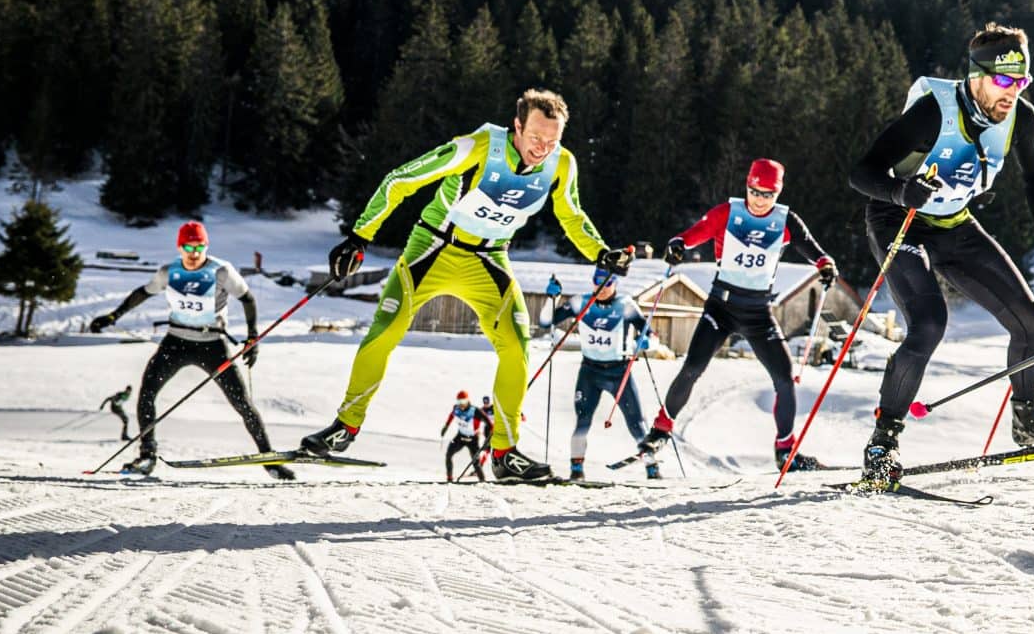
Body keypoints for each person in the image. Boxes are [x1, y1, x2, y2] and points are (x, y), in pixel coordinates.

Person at [298, 87, 641, 483]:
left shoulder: (562, 163)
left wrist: (601, 253)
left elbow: (570, 214)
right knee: (385, 330)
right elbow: (402, 179)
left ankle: (504, 452)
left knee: (517, 344)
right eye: (535, 138)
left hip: (489, 258)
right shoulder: (479, 146)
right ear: (517, 126)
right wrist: (360, 235)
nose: (543, 149)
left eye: (552, 141)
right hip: (434, 248)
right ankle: (345, 427)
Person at [847, 24, 1034, 483]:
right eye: (1002, 80)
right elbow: (862, 172)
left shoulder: (1023, 117)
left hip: (954, 223)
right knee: (929, 324)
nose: (1012, 92)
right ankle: (883, 442)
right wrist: (900, 191)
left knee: (1029, 321)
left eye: (1021, 82)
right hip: (898, 220)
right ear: (975, 76)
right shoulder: (931, 112)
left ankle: (1027, 419)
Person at [648, 158, 838, 470]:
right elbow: (694, 233)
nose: (761, 200)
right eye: (755, 192)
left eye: (768, 194)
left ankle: (785, 451)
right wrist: (678, 244)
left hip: (758, 312)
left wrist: (825, 265)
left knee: (784, 379)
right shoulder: (728, 213)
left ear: (777, 193)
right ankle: (660, 430)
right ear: (746, 186)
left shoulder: (785, 219)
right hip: (721, 307)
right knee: (693, 367)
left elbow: (813, 249)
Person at [87, 220, 287, 478]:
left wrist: (252, 338)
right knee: (146, 394)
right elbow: (143, 293)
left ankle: (270, 460)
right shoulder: (168, 271)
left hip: (212, 346)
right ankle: (147, 456)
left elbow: (248, 298)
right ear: (179, 247)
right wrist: (113, 316)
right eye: (188, 247)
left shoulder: (221, 271)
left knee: (242, 403)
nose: (194, 253)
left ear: (206, 246)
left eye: (199, 247)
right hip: (176, 343)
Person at [544, 262, 660, 480]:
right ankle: (576, 469)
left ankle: (652, 468)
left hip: (619, 371)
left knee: (636, 423)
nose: (602, 287)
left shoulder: (625, 304)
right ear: (593, 282)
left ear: (615, 284)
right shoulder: (581, 302)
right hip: (590, 372)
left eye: (608, 283)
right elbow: (545, 321)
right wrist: (553, 299)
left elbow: (650, 334)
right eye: (598, 281)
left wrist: (644, 341)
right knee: (583, 420)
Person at [439, 388, 485, 482]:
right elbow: (451, 416)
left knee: (476, 463)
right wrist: (446, 427)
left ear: (467, 400)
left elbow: (489, 423)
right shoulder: (456, 408)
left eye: (463, 401)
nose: (461, 403)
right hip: (460, 437)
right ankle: (449, 479)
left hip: (473, 439)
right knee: (448, 455)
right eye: (459, 401)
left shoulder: (475, 410)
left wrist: (490, 433)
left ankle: (482, 480)